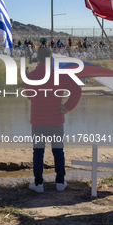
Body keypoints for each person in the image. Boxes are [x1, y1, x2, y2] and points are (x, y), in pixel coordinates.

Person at [25, 47, 81, 193]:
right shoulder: (60, 74)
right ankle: (60, 182)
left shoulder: (31, 76)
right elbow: (77, 90)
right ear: (52, 59)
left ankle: (38, 184)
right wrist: (67, 107)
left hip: (37, 121)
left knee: (38, 152)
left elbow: (29, 95)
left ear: (38, 59)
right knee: (58, 151)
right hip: (56, 120)